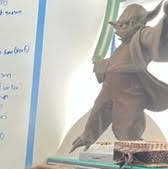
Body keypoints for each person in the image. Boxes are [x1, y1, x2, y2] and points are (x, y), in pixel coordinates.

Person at [71, 2, 168, 151]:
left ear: (140, 22)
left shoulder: (141, 35)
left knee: (127, 122)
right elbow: (99, 109)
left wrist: (166, 22)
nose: (123, 28)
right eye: (121, 24)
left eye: (129, 23)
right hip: (109, 87)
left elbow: (154, 36)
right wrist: (88, 135)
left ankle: (133, 149)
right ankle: (87, 137)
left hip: (131, 89)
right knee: (98, 109)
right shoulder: (121, 48)